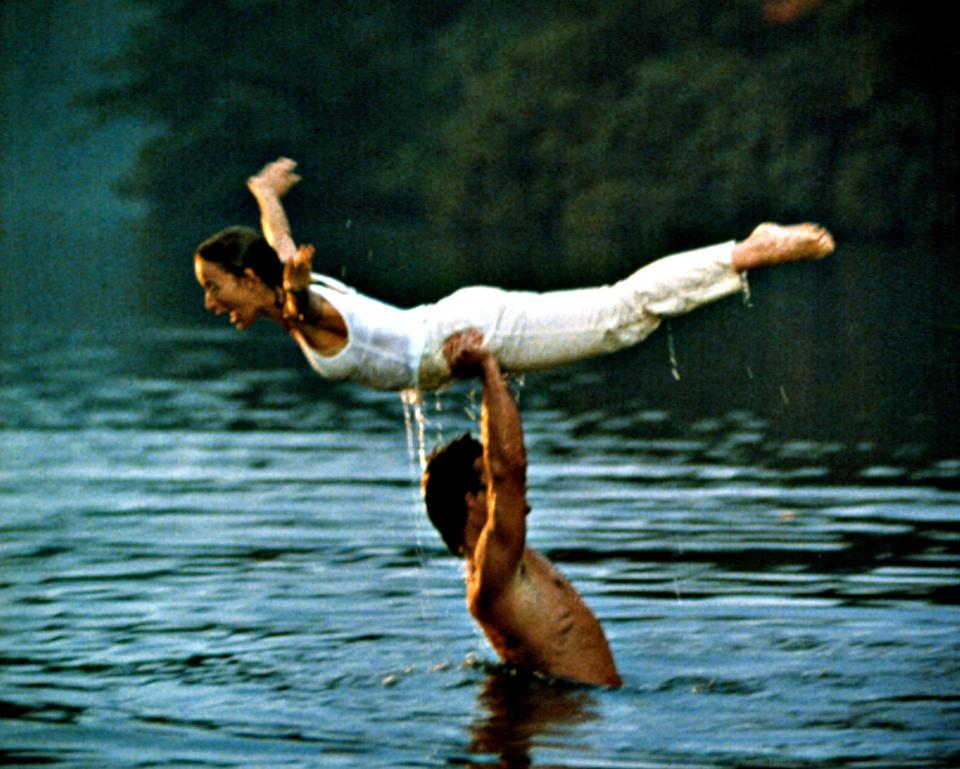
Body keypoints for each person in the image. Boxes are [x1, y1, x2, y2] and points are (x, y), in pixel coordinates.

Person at [194, 158, 835, 391]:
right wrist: (263, 191)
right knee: (621, 313)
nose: (211, 303)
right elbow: (276, 238)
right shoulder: (275, 271)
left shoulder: (297, 305)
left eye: (214, 287)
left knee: (622, 313)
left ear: (249, 279)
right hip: (460, 325)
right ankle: (742, 251)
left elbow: (301, 298)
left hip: (473, 328)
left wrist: (302, 280)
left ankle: (750, 252)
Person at [422, 329, 622, 687]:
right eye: (494, 488)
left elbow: (506, 469)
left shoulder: (503, 562)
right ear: (472, 498)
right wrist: (487, 368)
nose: (524, 505)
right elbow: (509, 467)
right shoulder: (492, 569)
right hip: (565, 721)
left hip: (569, 717)